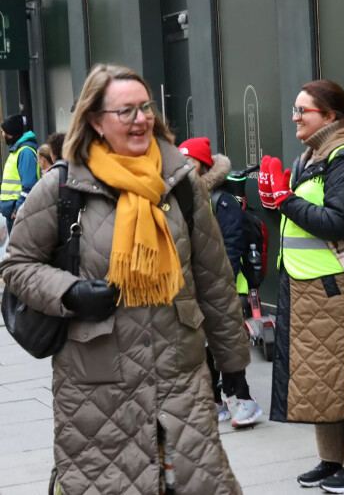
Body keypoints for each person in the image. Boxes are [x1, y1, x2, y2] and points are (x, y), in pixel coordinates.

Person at [0, 64, 250, 494]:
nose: (141, 119)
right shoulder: (63, 187)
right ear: (95, 121)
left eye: (145, 107)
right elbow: (17, 265)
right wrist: (71, 292)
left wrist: (233, 368)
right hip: (97, 385)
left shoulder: (182, 182)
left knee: (195, 483)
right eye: (126, 111)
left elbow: (213, 277)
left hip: (180, 378)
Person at [257, 79, 344, 493]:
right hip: (309, 284)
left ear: (329, 116)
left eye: (304, 111)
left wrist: (287, 202)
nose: (295, 117)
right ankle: (333, 458)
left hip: (340, 284)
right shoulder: (313, 156)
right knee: (320, 375)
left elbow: (338, 222)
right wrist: (277, 203)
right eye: (295, 110)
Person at [179, 136, 263, 428]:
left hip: (226, 286)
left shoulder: (220, 199)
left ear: (202, 165)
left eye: (188, 162)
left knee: (225, 345)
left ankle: (243, 401)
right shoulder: (188, 197)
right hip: (199, 287)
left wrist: (220, 282)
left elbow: (232, 243)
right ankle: (216, 401)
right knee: (204, 347)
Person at [0, 113, 39, 232]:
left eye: (3, 131)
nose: (2, 135)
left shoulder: (25, 152)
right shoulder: (17, 151)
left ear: (10, 133)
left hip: (18, 215)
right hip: (13, 213)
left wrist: (18, 210)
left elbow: (29, 185)